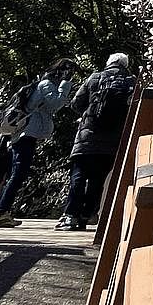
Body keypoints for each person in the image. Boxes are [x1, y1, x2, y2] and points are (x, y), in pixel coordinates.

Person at [0, 57, 79, 227]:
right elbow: (56, 103)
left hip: (23, 134)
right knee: (18, 174)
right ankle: (0, 212)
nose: (71, 75)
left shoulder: (40, 84)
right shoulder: (45, 84)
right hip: (26, 134)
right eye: (69, 71)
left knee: (16, 174)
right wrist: (66, 83)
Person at [60, 54, 135, 230]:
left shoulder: (95, 78)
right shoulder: (131, 82)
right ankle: (86, 216)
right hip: (112, 141)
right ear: (125, 65)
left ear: (109, 63)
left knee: (78, 176)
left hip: (87, 138)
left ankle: (71, 216)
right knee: (97, 180)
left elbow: (76, 104)